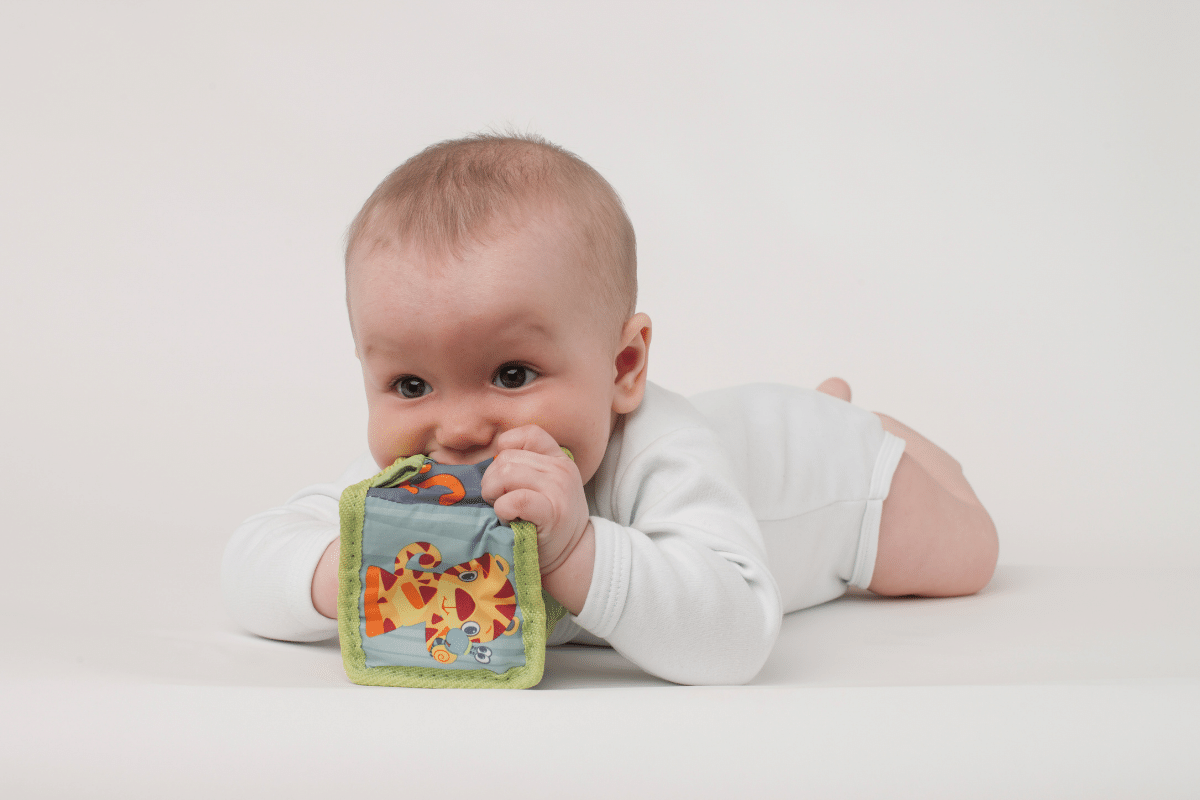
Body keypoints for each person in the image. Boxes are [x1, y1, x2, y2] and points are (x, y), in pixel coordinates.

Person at [221, 133, 998, 685]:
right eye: (411, 386)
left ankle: (874, 428)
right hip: (748, 433)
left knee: (968, 557)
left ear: (623, 367)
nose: (455, 429)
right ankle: (824, 405)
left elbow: (735, 637)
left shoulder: (666, 455)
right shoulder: (413, 473)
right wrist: (351, 570)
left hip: (832, 478)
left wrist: (573, 551)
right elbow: (249, 560)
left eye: (512, 372)